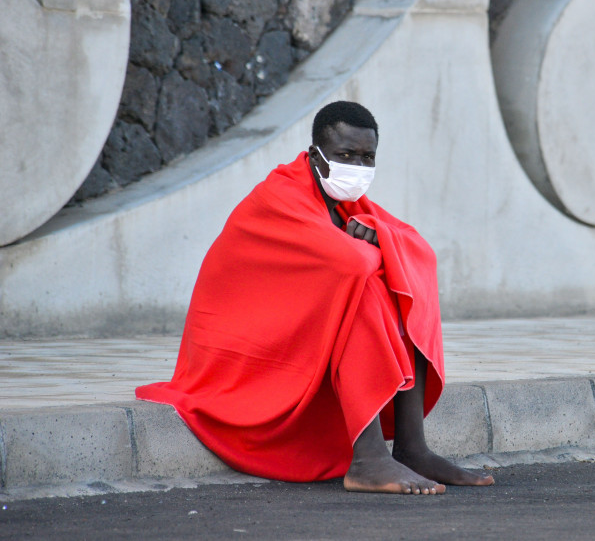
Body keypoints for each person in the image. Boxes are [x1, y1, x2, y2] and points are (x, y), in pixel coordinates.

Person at [137, 101, 493, 495]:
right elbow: (350, 264)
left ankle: (411, 447)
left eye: (366, 157)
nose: (356, 167)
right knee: (366, 289)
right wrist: (382, 243)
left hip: (291, 333)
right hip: (240, 350)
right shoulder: (279, 196)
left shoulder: (345, 204)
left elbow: (418, 252)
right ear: (315, 157)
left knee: (404, 276)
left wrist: (380, 235)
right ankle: (369, 459)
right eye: (345, 156)